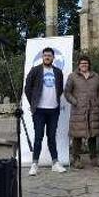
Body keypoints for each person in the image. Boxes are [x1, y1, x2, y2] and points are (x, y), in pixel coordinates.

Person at [25, 47, 66, 175]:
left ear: (53, 58)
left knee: (52, 137)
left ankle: (55, 163)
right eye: (45, 55)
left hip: (53, 110)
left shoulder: (58, 72)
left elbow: (59, 90)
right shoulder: (35, 70)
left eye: (49, 55)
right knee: (38, 137)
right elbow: (28, 88)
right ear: (42, 57)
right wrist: (33, 103)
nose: (47, 57)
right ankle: (34, 164)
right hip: (39, 110)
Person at [64, 56, 99, 169]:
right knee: (77, 136)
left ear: (89, 64)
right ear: (79, 65)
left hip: (93, 110)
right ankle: (76, 159)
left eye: (86, 63)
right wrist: (74, 102)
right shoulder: (73, 76)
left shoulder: (95, 76)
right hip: (78, 111)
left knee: (92, 135)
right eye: (82, 63)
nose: (84, 65)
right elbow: (67, 92)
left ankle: (94, 158)